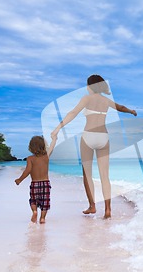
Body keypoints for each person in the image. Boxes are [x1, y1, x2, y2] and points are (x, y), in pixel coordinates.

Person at [51, 74, 137, 219]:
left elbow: (73, 113)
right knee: (105, 176)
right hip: (103, 137)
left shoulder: (86, 98)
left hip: (89, 136)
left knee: (87, 174)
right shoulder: (106, 100)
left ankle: (92, 206)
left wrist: (58, 128)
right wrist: (131, 111)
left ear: (90, 86)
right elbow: (120, 107)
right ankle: (108, 209)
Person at [15, 135, 57, 224]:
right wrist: (54, 139)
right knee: (45, 202)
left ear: (31, 147)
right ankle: (42, 218)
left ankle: (34, 212)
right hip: (45, 183)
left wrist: (20, 179)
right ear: (43, 146)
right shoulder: (46, 156)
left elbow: (28, 170)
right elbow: (52, 147)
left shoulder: (30, 159)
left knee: (33, 200)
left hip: (35, 184)